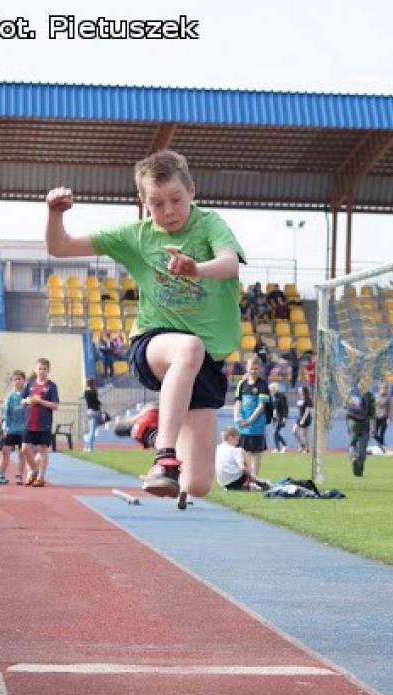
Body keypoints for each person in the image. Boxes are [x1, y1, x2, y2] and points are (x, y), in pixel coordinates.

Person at [46, 149, 245, 501]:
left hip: (206, 363)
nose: (168, 211)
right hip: (155, 344)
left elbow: (229, 263)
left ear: (192, 191)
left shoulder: (210, 224)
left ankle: (150, 429)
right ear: (142, 202)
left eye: (176, 200)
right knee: (188, 346)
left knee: (196, 486)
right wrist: (54, 214)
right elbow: (60, 247)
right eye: (157, 203)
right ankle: (164, 457)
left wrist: (196, 268)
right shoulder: (134, 236)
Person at [21, 358, 60, 486]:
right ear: (35, 369)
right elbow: (22, 400)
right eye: (39, 368)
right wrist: (28, 401)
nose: (41, 371)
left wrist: (40, 401)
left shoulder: (51, 386)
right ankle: (34, 470)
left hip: (44, 424)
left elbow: (55, 405)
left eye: (44, 369)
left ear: (48, 370)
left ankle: (41, 477)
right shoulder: (30, 384)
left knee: (42, 450)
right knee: (25, 449)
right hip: (29, 422)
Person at [234, 355, 270, 477]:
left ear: (260, 369)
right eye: (251, 368)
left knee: (255, 453)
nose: (253, 371)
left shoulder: (262, 384)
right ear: (246, 368)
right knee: (243, 452)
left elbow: (261, 406)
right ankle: (247, 478)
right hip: (242, 425)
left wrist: (250, 421)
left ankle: (255, 478)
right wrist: (236, 416)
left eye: (256, 368)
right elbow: (237, 401)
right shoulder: (242, 384)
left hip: (256, 425)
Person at [215, 426, 268, 491]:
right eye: (237, 440)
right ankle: (253, 482)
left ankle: (247, 484)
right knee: (242, 451)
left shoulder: (217, 448)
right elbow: (242, 468)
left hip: (222, 482)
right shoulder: (235, 450)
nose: (237, 443)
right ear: (230, 438)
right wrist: (253, 477)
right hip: (236, 480)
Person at [0, 370, 28, 484]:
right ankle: (1, 474)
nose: (17, 381)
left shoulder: (27, 395)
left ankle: (20, 475)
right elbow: (5, 413)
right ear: (12, 381)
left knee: (22, 453)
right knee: (5, 451)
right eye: (14, 379)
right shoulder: (10, 397)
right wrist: (4, 427)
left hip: (24, 430)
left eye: (19, 379)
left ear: (24, 380)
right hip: (11, 429)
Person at [346, 387, 375, 477]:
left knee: (352, 444)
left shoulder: (351, 395)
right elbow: (372, 415)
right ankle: (360, 465)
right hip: (364, 425)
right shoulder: (369, 397)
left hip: (352, 424)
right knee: (363, 447)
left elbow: (346, 411)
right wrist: (373, 428)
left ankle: (354, 458)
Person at [83, 377, 102, 453]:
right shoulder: (93, 391)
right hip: (95, 411)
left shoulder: (86, 391)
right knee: (92, 431)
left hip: (89, 410)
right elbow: (96, 401)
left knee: (91, 430)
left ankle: (87, 446)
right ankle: (90, 447)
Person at [292, 384, 313, 453]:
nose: (299, 391)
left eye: (300, 390)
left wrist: (303, 419)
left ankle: (307, 449)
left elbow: (307, 410)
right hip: (300, 417)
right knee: (294, 431)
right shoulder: (300, 399)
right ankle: (302, 445)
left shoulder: (308, 399)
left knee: (305, 434)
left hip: (306, 418)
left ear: (303, 391)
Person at [268, 381, 289, 452]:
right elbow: (273, 407)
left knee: (275, 433)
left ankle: (281, 446)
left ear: (275, 389)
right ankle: (281, 447)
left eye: (271, 389)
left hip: (281, 416)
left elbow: (285, 408)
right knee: (275, 433)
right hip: (275, 417)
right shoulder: (272, 397)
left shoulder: (281, 396)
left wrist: (284, 417)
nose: (270, 390)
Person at [373, 382, 392, 449]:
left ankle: (381, 446)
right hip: (376, 418)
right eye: (383, 388)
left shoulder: (388, 397)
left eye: (385, 388)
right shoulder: (375, 396)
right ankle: (382, 444)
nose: (384, 390)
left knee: (381, 433)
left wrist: (389, 418)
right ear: (379, 389)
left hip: (384, 417)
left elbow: (389, 408)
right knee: (373, 434)